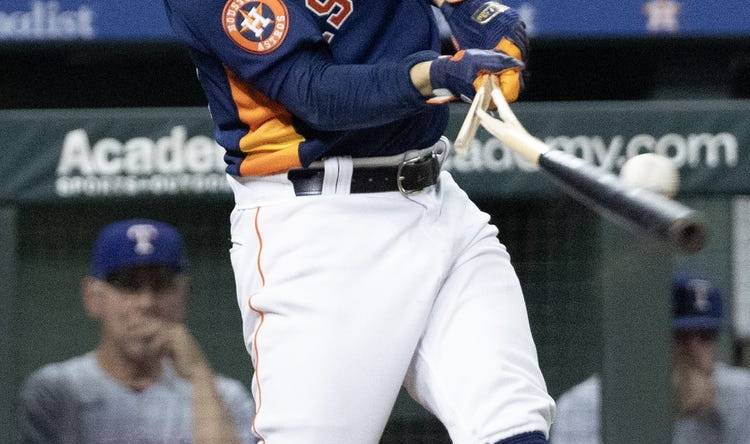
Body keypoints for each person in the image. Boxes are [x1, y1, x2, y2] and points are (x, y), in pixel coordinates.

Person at [162, 0, 553, 443]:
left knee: (512, 424)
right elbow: (315, 93)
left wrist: (478, 15)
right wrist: (436, 73)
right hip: (318, 227)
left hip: (435, 199)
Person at [19, 219, 257, 444]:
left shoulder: (225, 397)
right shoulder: (58, 390)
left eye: (161, 285)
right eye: (128, 285)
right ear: (93, 297)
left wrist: (198, 374)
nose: (146, 303)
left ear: (185, 295)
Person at [551, 275, 750, 444]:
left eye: (706, 336)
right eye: (679, 336)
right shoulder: (586, 403)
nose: (694, 349)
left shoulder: (741, 394)